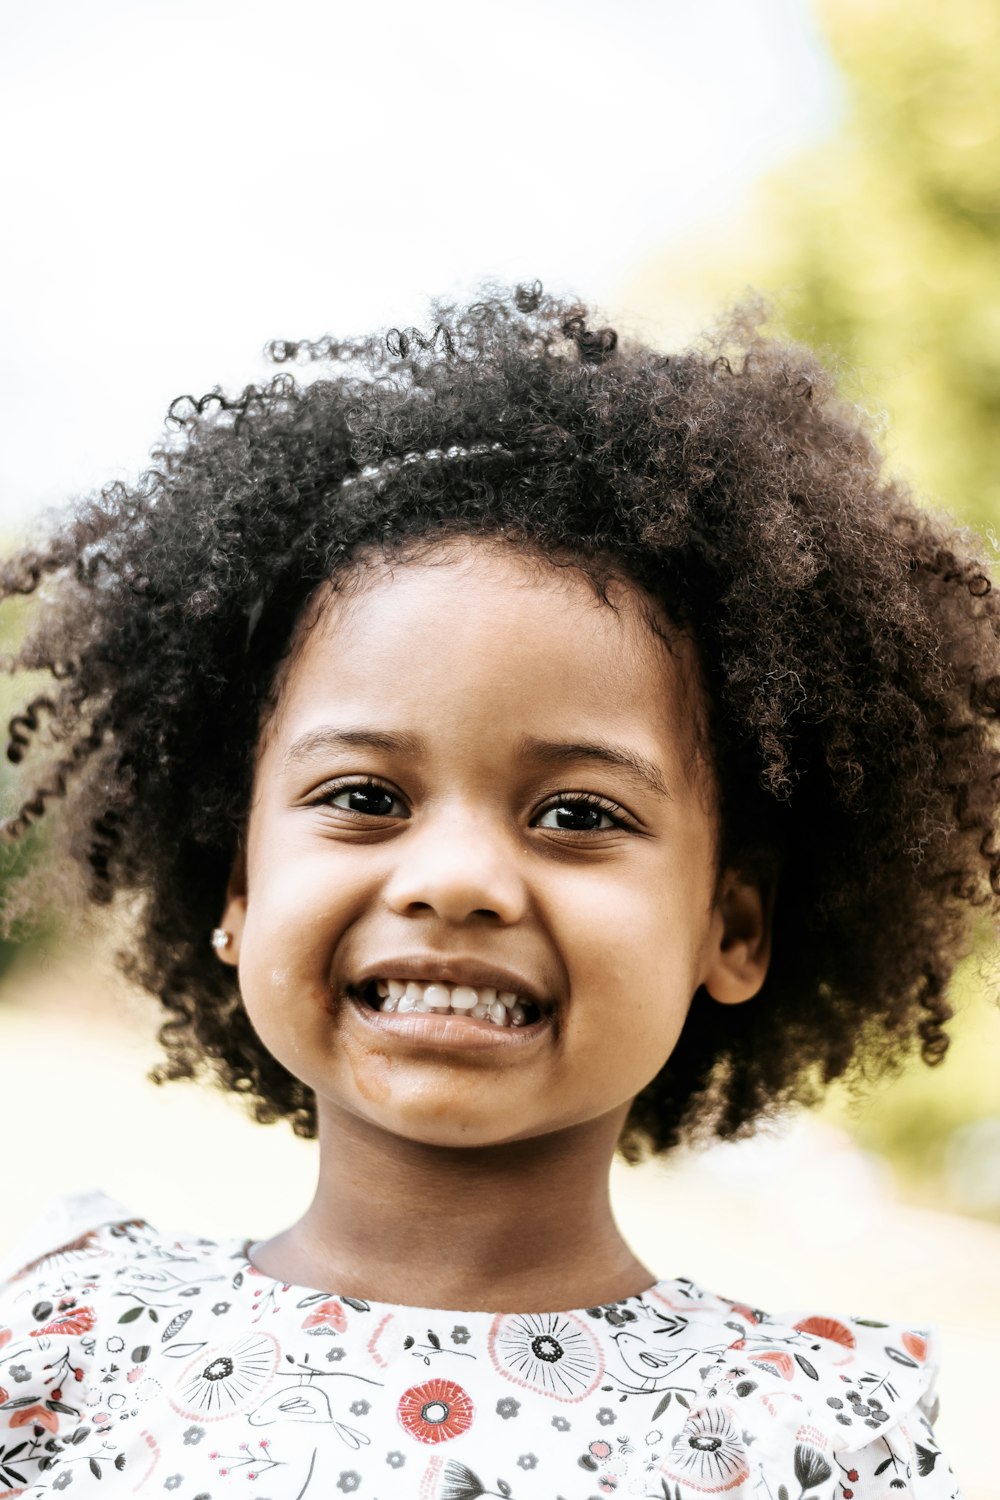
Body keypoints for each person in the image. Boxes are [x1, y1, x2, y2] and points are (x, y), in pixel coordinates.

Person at [0, 283, 989, 1498]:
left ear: (729, 927)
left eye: (577, 815)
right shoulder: (67, 1340)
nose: (457, 881)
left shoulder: (823, 1440)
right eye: (364, 797)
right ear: (239, 889)